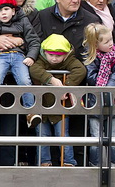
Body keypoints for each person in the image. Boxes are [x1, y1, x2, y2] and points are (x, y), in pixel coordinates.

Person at [29, 34, 86, 169]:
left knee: (62, 135)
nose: (54, 58)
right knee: (42, 135)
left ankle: (68, 161)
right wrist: (51, 79)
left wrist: (65, 88)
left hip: (61, 106)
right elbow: (34, 69)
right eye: (51, 55)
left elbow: (81, 70)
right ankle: (44, 162)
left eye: (58, 56)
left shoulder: (69, 60)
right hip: (42, 105)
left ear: (65, 54)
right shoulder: (41, 59)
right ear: (45, 52)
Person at [31, 0, 102, 61]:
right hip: (46, 65)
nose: (75, 0)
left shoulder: (91, 21)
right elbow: (35, 43)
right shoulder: (42, 16)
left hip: (79, 66)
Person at [83, 23, 115, 167]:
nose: (111, 43)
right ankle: (95, 164)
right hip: (94, 101)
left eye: (111, 39)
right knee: (96, 136)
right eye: (106, 42)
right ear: (96, 44)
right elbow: (90, 76)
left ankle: (113, 164)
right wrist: (104, 81)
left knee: (113, 136)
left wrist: (108, 87)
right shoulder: (90, 57)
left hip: (112, 100)